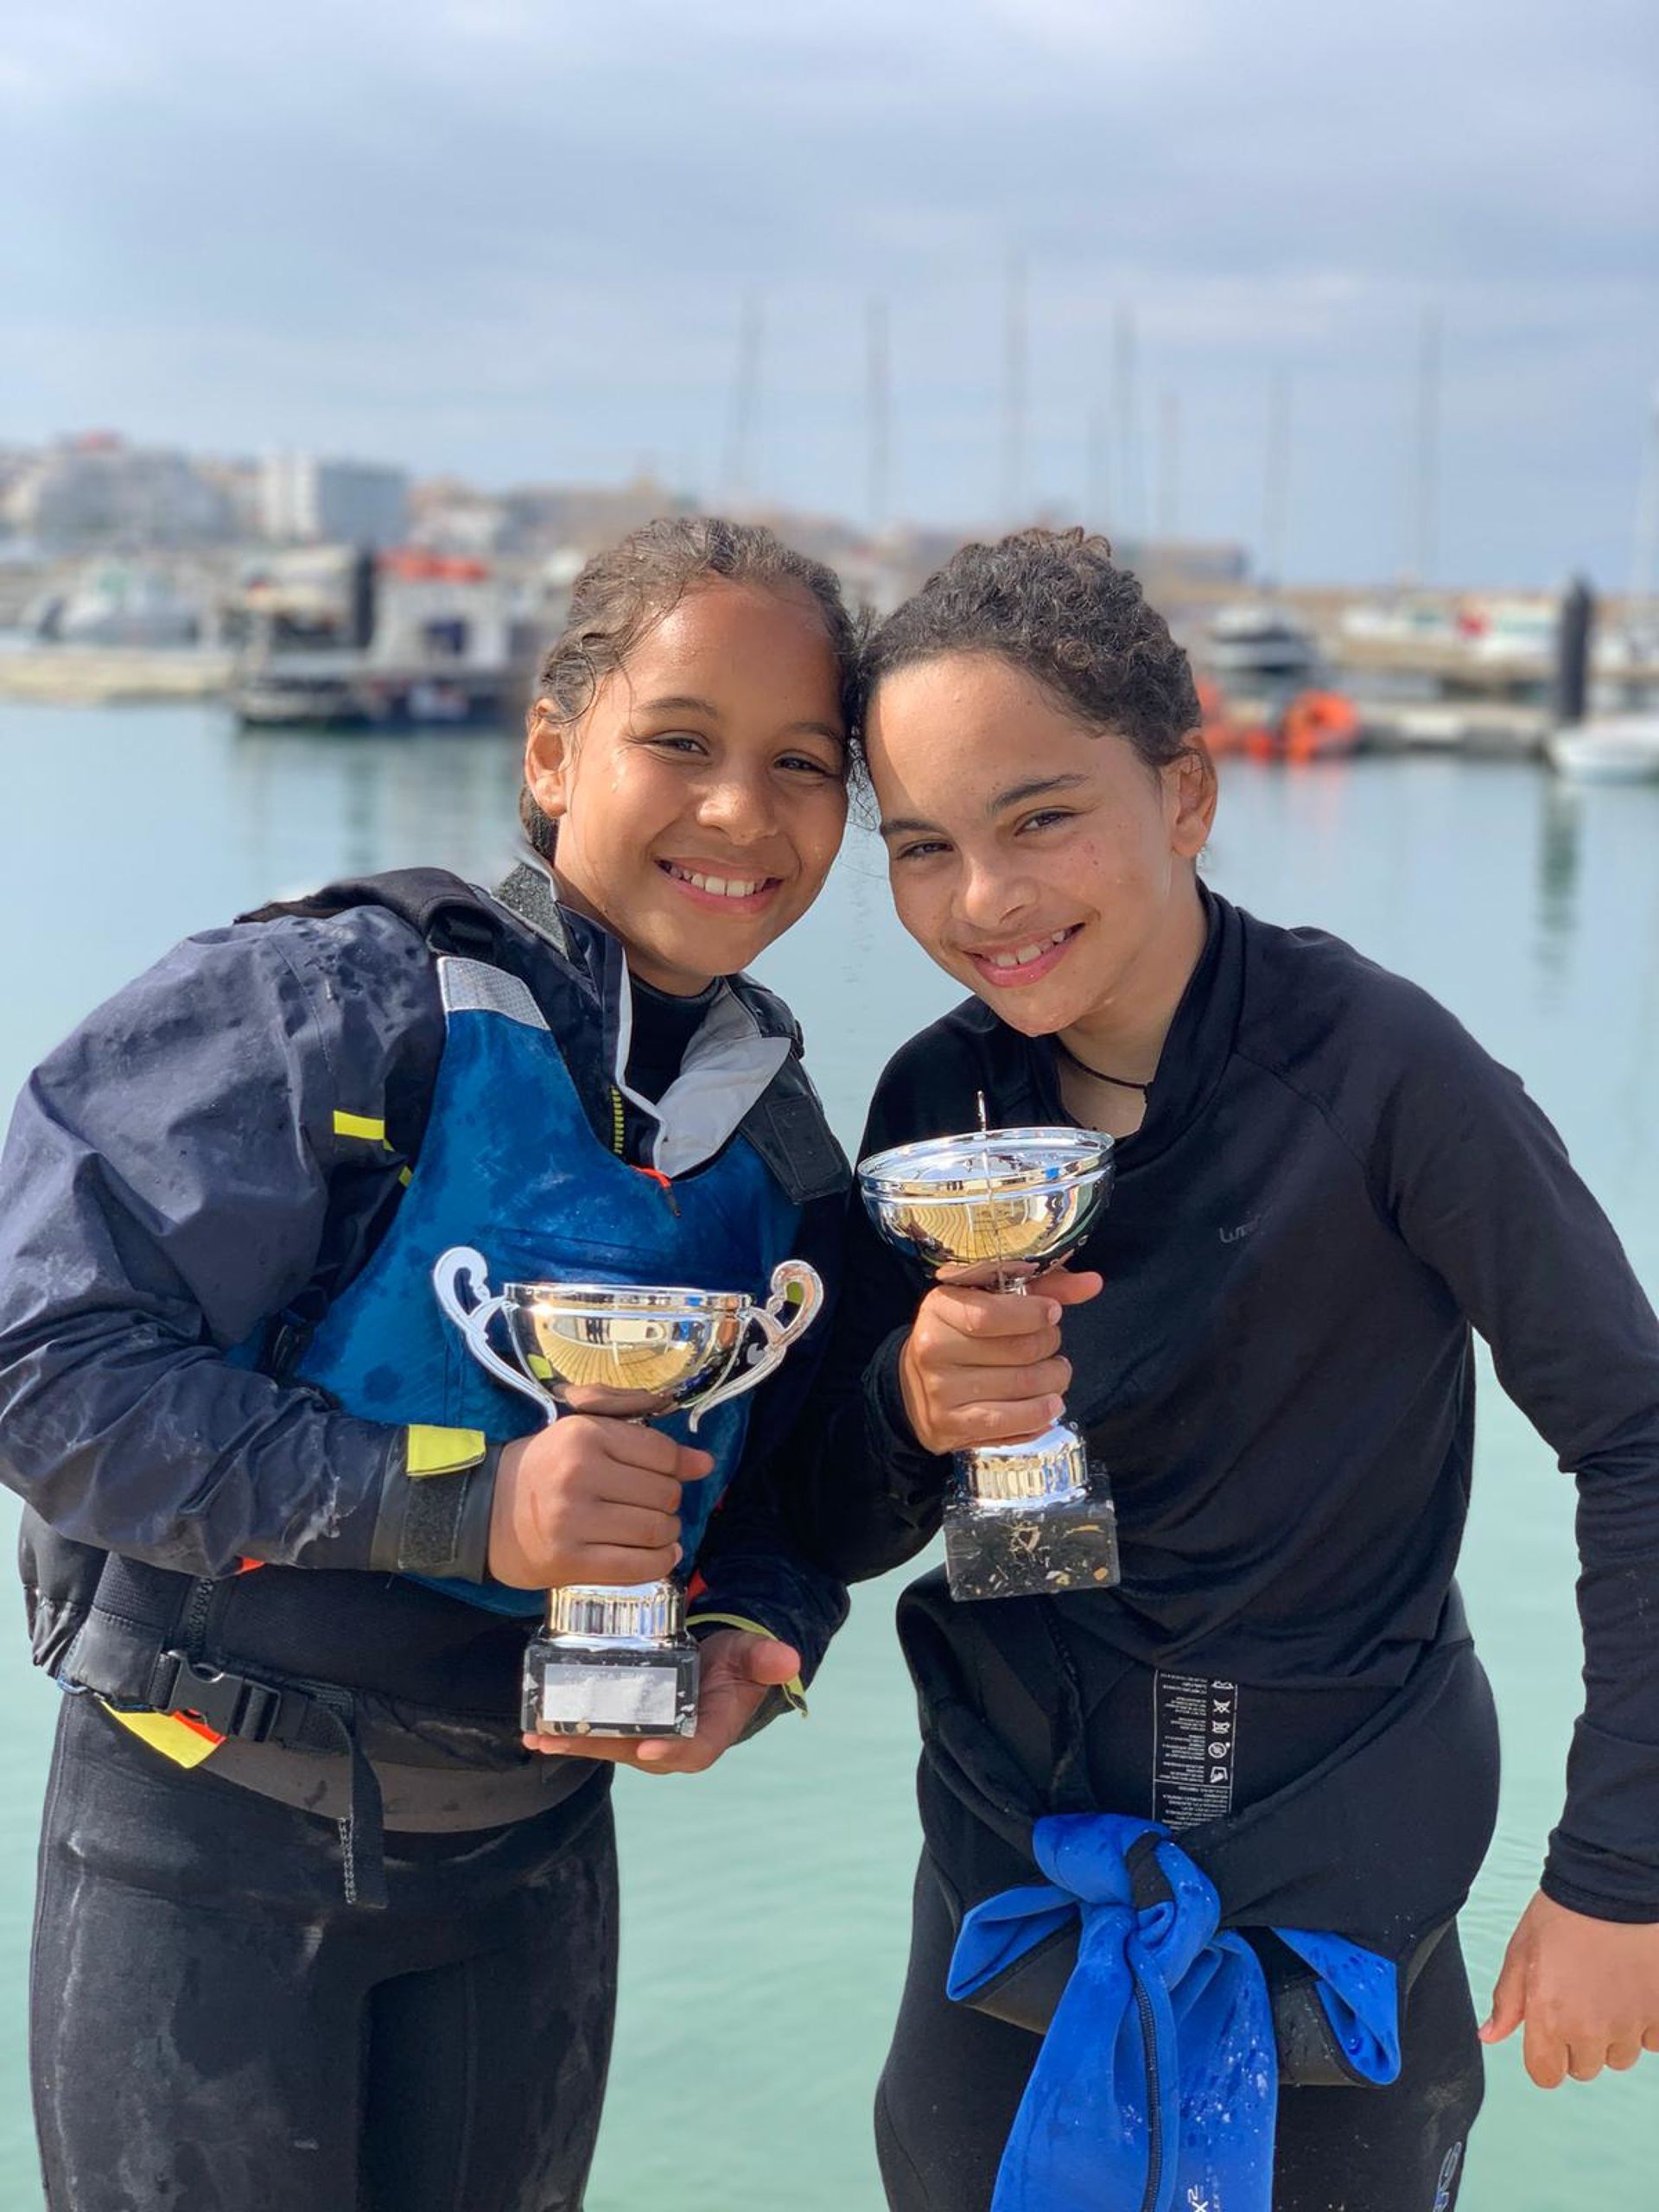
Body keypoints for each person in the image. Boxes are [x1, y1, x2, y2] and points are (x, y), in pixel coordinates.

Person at [0, 517, 860, 2212]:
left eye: (802, 766)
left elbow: (809, 1475)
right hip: (204, 1851)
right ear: (552, 751)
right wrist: (463, 1510)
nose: (740, 811)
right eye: (678, 741)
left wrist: (762, 1625)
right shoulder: (327, 1002)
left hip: (532, 1875)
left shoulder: (784, 1145)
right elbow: (43, 1362)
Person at [794, 529, 1659, 2211]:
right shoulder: (934, 1111)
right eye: (922, 846)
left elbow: (1637, 1430)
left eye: (1040, 816)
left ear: (1186, 791)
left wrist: (1622, 1867)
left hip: (1332, 1898)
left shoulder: (1382, 1071)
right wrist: (915, 1401)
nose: (984, 899)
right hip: (1006, 1901)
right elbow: (835, 1509)